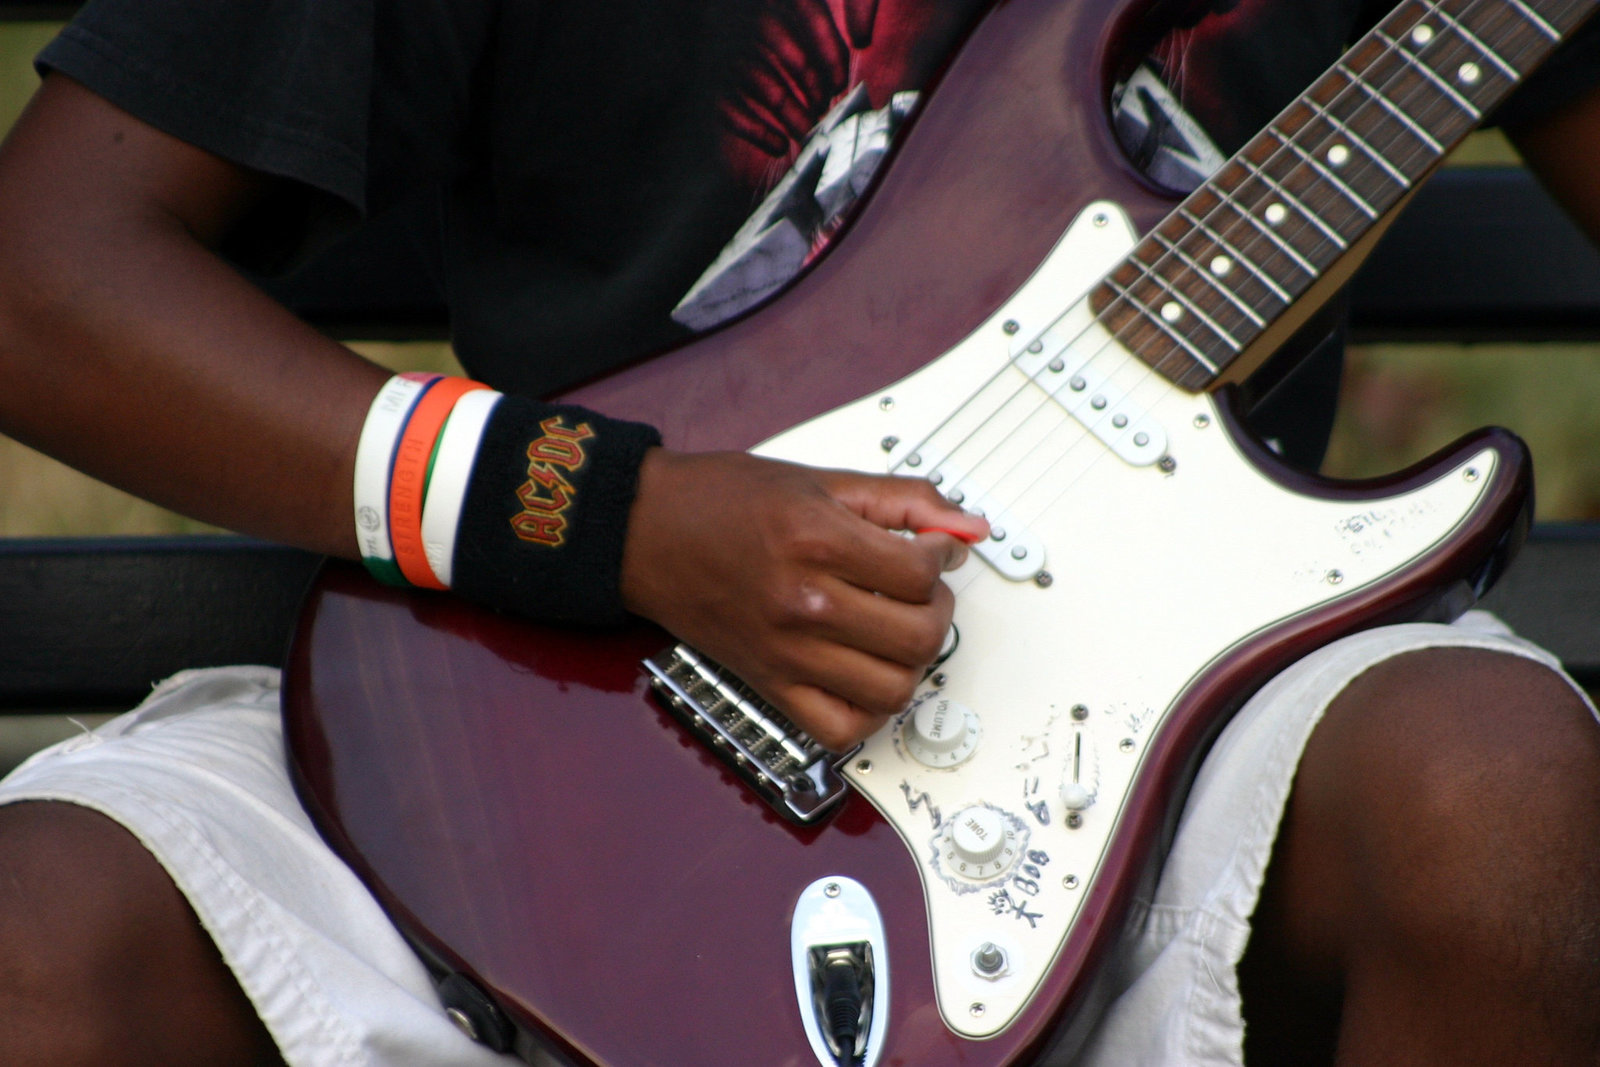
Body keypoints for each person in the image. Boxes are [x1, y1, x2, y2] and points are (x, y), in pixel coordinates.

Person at [0, 1, 1597, 1064]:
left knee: (1502, 807)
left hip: (1180, 746)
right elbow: (43, 284)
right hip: (532, 694)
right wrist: (613, 519)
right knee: (40, 940)